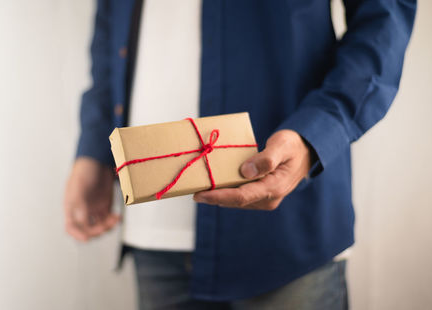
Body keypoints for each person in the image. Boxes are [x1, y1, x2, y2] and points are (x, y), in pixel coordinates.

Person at [64, 0, 416, 309]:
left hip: (287, 232)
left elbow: (383, 18)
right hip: (154, 226)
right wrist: (95, 151)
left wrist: (315, 136)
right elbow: (109, 30)